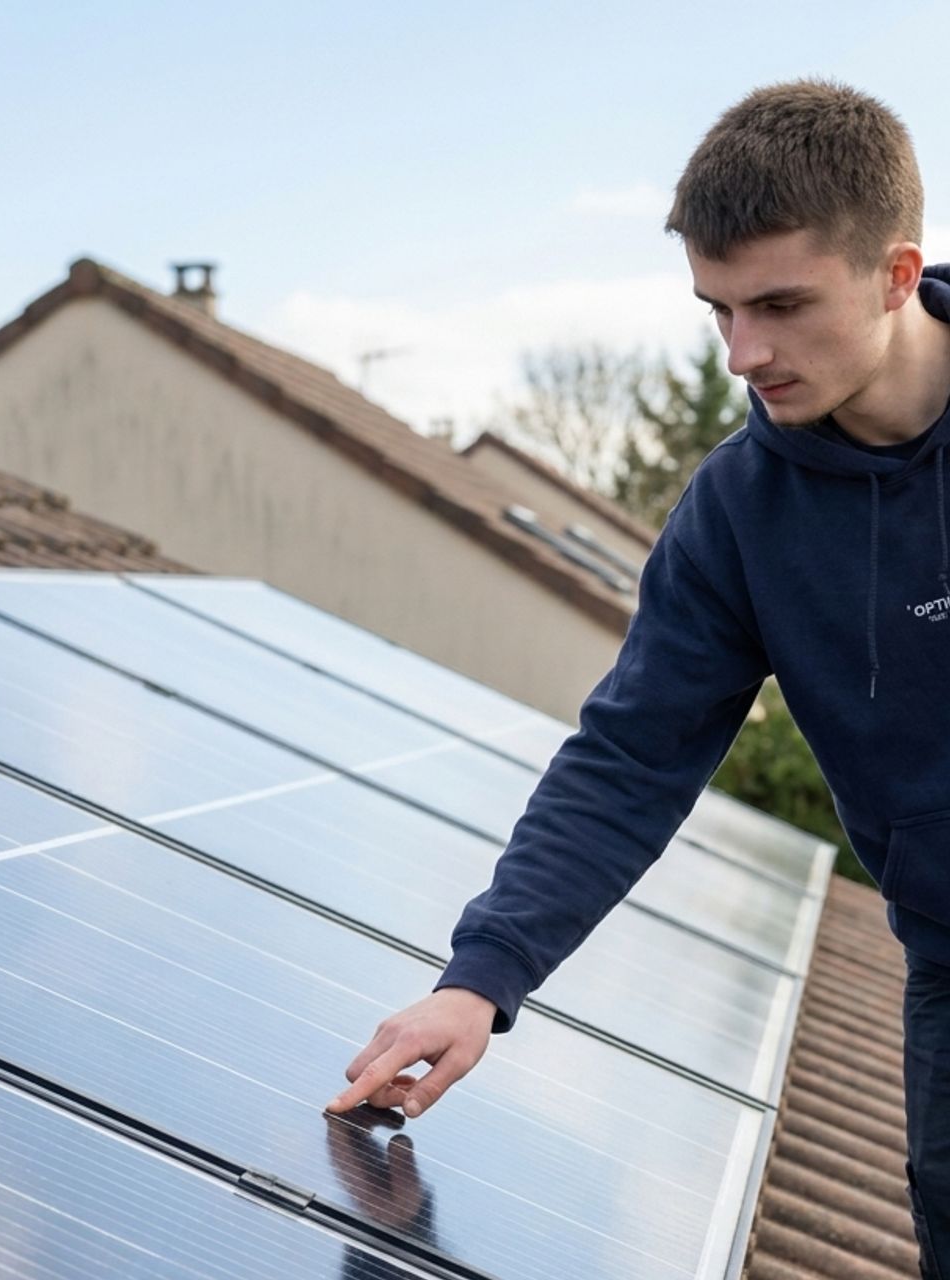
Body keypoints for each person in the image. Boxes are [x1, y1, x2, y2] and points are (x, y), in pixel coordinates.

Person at [328, 78, 950, 1277]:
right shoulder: (741, 515)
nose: (742, 354)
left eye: (779, 304)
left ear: (895, 271)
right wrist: (482, 977)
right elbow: (629, 757)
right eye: (717, 310)